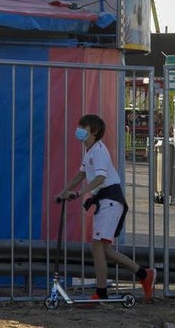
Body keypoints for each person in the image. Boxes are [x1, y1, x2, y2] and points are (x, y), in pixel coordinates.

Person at [55, 113, 156, 302]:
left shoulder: (99, 151)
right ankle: (144, 274)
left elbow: (100, 178)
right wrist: (64, 192)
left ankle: (102, 292)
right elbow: (80, 174)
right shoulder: (90, 151)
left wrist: (78, 194)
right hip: (105, 202)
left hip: (110, 200)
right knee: (105, 249)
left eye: (83, 127)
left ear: (93, 131)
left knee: (97, 246)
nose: (79, 130)